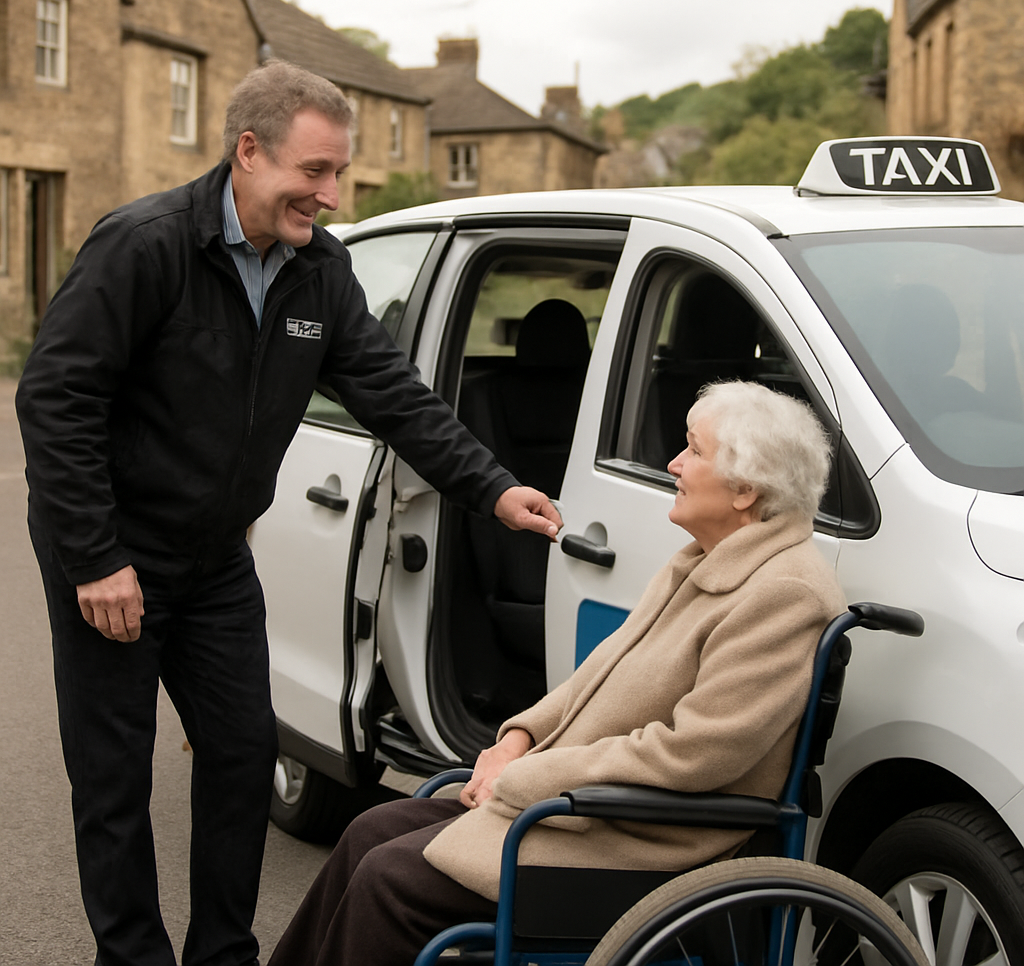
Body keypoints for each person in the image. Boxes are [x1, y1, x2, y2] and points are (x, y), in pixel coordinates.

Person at [15, 59, 561, 966]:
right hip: (116, 558)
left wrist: (492, 486)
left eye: (338, 173)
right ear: (248, 152)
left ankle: (224, 955)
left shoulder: (318, 271)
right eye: (316, 172)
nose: (332, 194)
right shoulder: (146, 246)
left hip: (217, 562)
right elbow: (56, 400)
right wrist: (92, 557)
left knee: (239, 758)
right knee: (112, 781)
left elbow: (391, 391)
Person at [267, 380, 847, 966]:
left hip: (645, 843)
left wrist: (531, 776)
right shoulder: (703, 560)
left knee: (389, 881)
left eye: (693, 450)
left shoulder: (785, 594)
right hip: (581, 807)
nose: (673, 462)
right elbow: (596, 678)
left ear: (745, 489)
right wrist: (516, 740)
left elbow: (694, 754)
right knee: (367, 833)